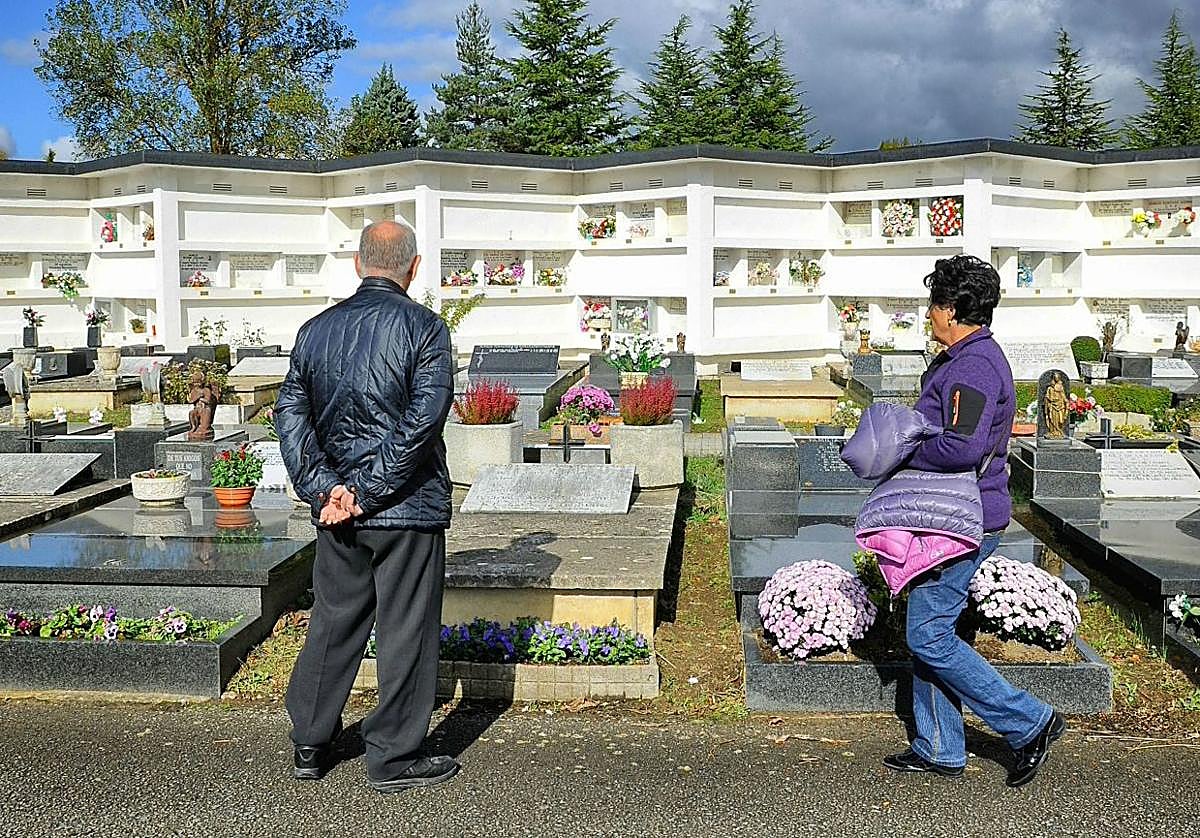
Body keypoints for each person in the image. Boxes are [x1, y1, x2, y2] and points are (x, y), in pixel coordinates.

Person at [275, 220, 458, 793]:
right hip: (405, 505)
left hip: (341, 509)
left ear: (358, 264)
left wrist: (327, 487)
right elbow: (421, 423)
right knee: (405, 628)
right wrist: (357, 490)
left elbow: (290, 415)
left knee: (336, 618)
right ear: (414, 266)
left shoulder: (315, 330)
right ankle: (395, 756)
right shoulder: (427, 329)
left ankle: (310, 739)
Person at [883, 254, 1065, 788]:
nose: (929, 314)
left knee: (927, 633)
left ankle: (1029, 720)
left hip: (962, 517)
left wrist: (900, 451)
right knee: (933, 625)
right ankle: (940, 745)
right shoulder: (961, 357)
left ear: (955, 308)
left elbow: (960, 446)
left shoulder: (973, 365)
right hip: (950, 512)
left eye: (935, 303)